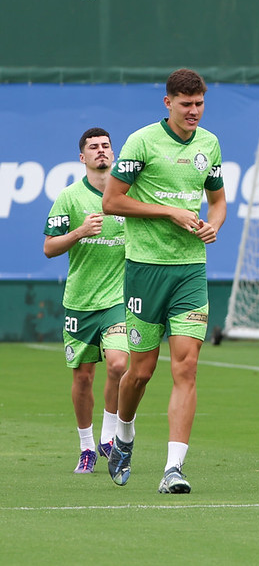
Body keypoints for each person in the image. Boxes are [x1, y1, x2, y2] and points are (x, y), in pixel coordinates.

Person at [102, 68, 226, 493]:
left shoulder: (209, 144)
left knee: (186, 367)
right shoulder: (141, 141)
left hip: (191, 270)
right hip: (144, 269)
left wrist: (214, 225)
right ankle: (124, 432)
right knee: (139, 372)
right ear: (168, 102)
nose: (194, 111)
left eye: (200, 104)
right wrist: (169, 211)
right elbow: (112, 200)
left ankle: (174, 468)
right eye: (186, 104)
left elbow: (218, 200)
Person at [45, 127, 128, 475]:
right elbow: (49, 247)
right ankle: (86, 447)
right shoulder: (69, 198)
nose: (100, 151)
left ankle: (110, 436)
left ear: (114, 153)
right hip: (79, 302)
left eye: (106, 146)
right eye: (93, 147)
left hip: (118, 300)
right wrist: (78, 232)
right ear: (82, 157)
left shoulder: (126, 195)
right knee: (82, 378)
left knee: (119, 365)